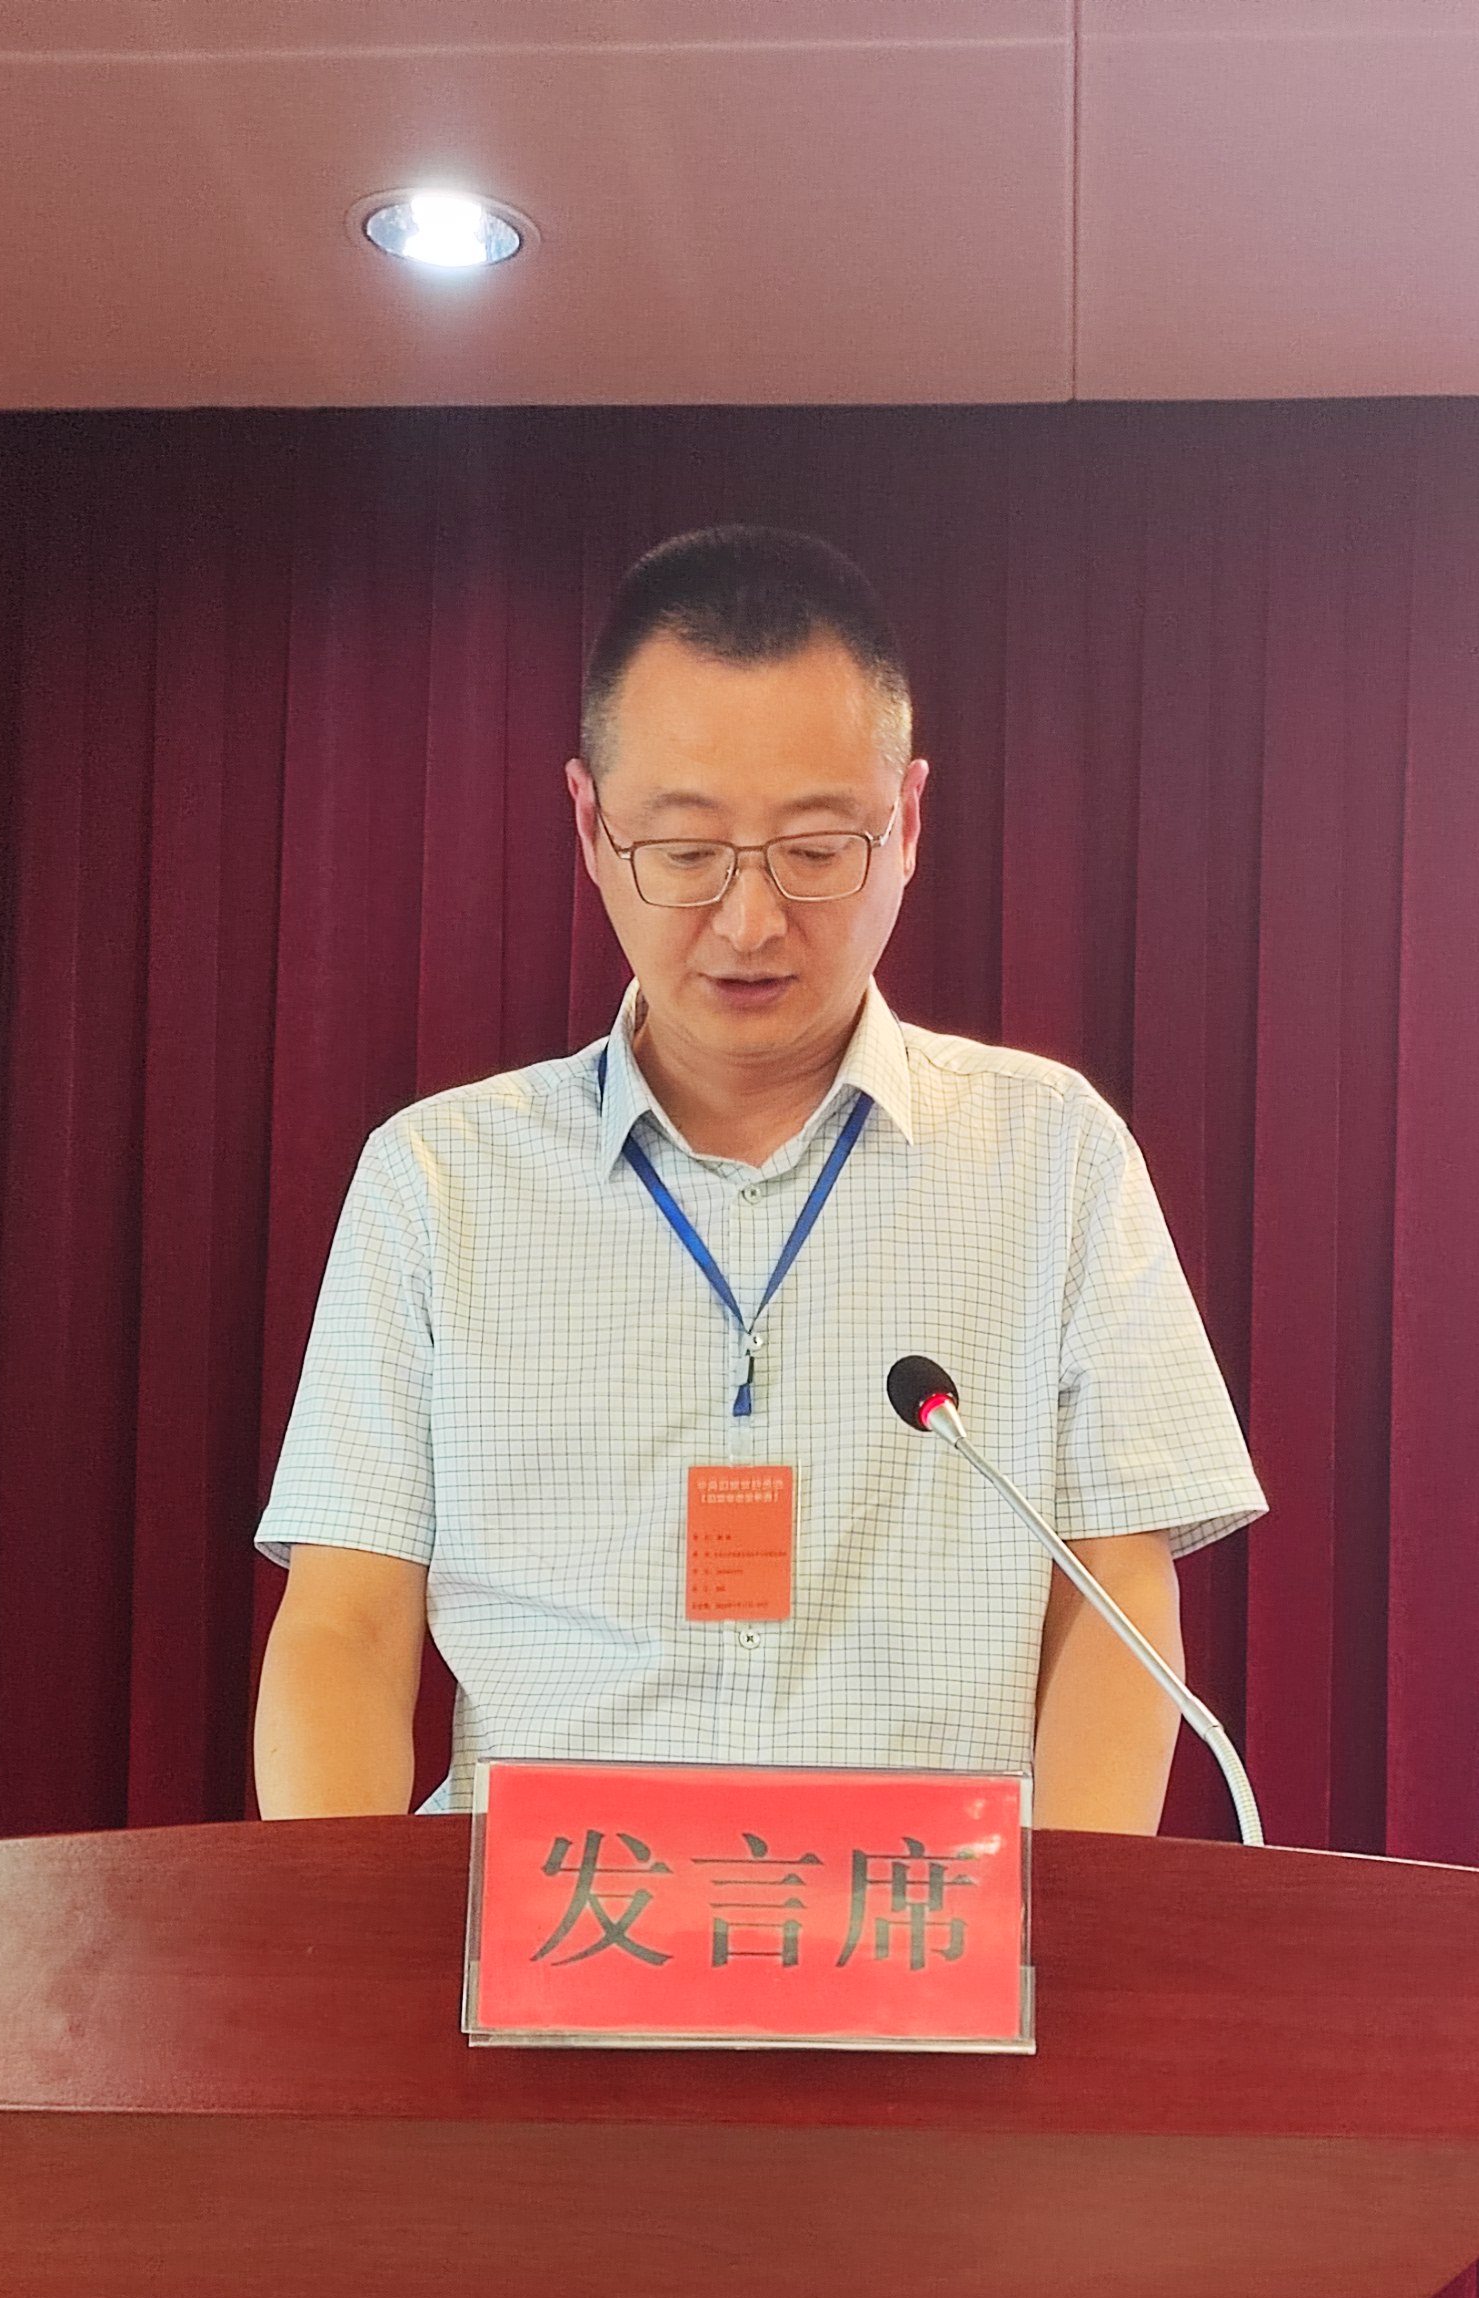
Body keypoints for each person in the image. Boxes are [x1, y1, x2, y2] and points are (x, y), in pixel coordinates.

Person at [252, 526, 1262, 1829]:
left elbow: (1114, 1599)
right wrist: (337, 1936)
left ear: (905, 820)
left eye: (817, 849)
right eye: (684, 852)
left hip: (919, 1933)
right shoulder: (439, 1184)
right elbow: (344, 1625)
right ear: (590, 824)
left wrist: (1065, 1936)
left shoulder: (1054, 1159)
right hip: (550, 1937)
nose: (748, 920)